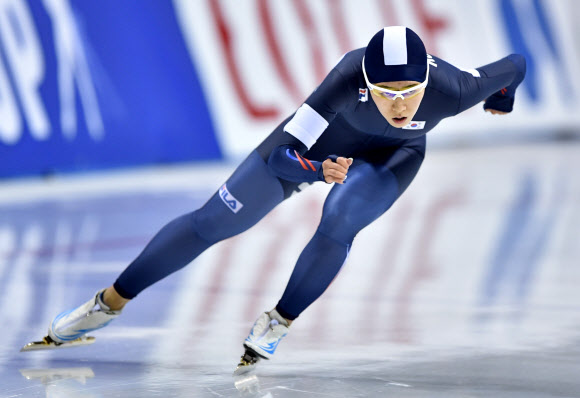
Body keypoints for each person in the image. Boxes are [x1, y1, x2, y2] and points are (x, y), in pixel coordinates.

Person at [35, 26, 526, 371]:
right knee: (214, 222)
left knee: (341, 217)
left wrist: (501, 97)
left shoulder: (456, 88)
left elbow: (514, 66)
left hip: (392, 159)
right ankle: (107, 304)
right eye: (385, 91)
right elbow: (281, 158)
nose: (399, 103)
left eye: (410, 90)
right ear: (366, 82)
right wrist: (317, 167)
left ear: (427, 81)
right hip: (313, 150)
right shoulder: (346, 77)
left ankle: (279, 320)